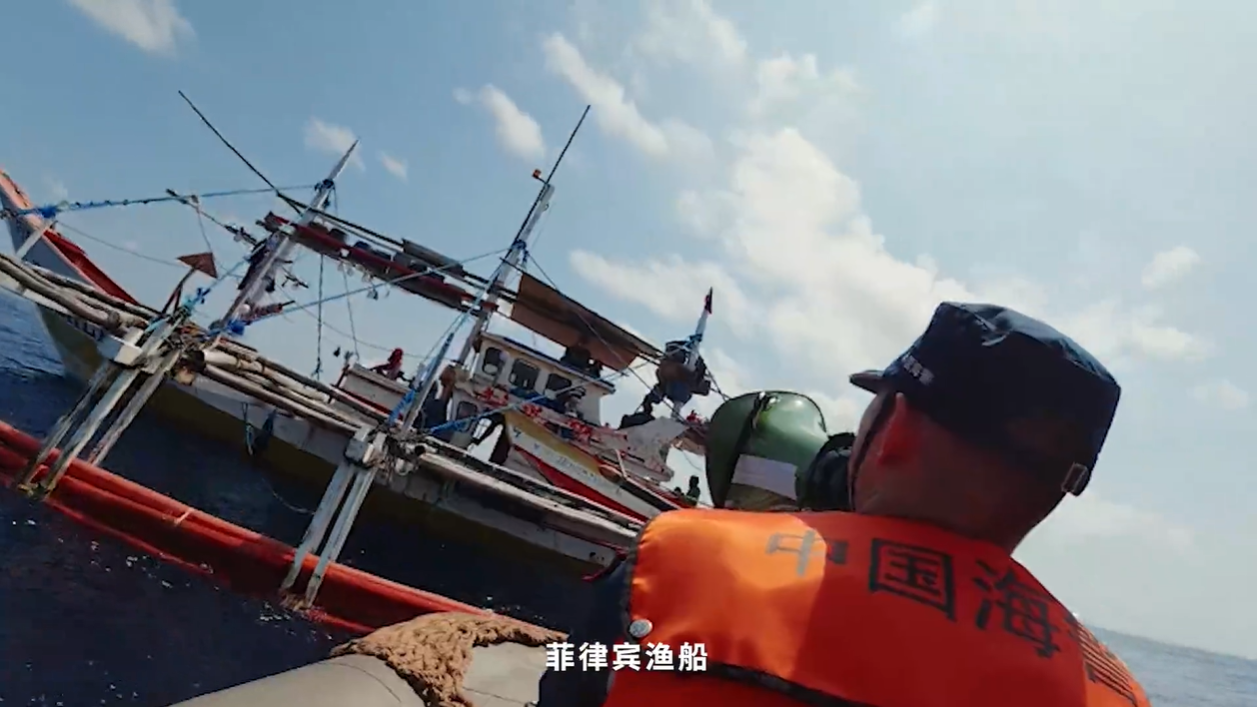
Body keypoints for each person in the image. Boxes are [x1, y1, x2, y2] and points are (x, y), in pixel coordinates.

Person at [535, 302, 1151, 707]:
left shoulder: (679, 561)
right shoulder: (1117, 692)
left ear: (896, 427)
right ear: (1054, 495)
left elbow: (572, 672)